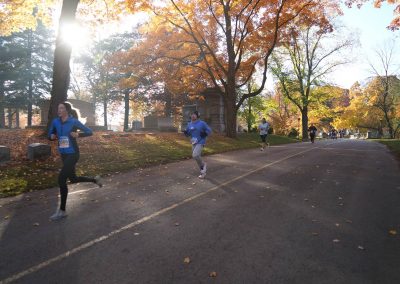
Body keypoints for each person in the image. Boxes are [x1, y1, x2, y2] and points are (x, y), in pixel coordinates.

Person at [48, 102, 102, 221]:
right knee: (73, 178)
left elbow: (89, 131)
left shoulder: (73, 122)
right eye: (58, 108)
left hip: (73, 153)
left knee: (61, 178)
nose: (59, 110)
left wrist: (78, 134)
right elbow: (50, 132)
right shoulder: (55, 121)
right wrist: (51, 135)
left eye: (61, 108)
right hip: (64, 154)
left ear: (67, 110)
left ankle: (62, 211)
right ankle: (95, 179)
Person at [183, 111, 212, 179]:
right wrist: (185, 133)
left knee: (195, 155)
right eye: (191, 115)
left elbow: (209, 130)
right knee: (196, 157)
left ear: (197, 116)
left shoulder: (202, 123)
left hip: (201, 141)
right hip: (194, 142)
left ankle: (203, 166)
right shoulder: (189, 124)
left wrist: (205, 133)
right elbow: (188, 134)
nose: (193, 116)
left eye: (194, 115)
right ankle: (202, 170)